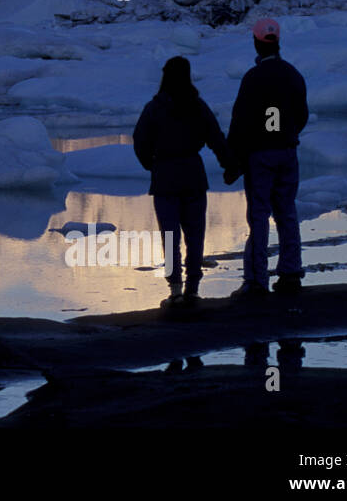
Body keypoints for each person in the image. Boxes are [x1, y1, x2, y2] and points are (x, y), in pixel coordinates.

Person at [132, 56, 229, 308]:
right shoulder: (197, 105)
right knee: (195, 236)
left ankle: (175, 290)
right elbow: (216, 138)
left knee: (170, 237)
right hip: (193, 175)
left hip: (165, 177)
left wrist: (151, 165)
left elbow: (140, 140)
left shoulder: (154, 107)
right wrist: (230, 164)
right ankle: (193, 289)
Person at [224, 17, 309, 297]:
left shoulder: (253, 78)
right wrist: (286, 133)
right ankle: (290, 273)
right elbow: (301, 115)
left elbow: (241, 122)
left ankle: (256, 281)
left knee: (259, 216)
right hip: (286, 150)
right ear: (278, 42)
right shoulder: (293, 74)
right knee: (286, 212)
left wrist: (232, 159)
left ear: (256, 43)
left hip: (260, 154)